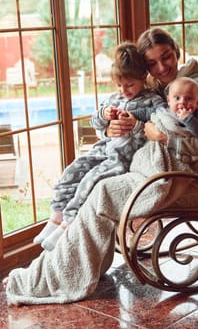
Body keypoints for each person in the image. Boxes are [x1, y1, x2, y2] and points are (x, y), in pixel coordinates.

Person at [4, 28, 198, 306]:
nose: (161, 67)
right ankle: (54, 266)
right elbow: (132, 130)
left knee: (104, 192)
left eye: (166, 57)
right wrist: (112, 128)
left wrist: (166, 138)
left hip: (195, 180)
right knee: (97, 185)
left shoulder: (193, 87)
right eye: (152, 63)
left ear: (176, 52)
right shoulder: (156, 89)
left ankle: (52, 275)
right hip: (153, 169)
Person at [34, 41, 165, 251]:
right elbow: (95, 122)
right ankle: (55, 218)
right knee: (72, 171)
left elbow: (161, 125)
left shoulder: (152, 101)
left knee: (90, 180)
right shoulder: (114, 98)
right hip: (102, 150)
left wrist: (136, 124)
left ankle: (68, 226)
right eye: (120, 86)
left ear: (143, 77)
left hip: (124, 157)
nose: (124, 91)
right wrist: (104, 116)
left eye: (130, 85)